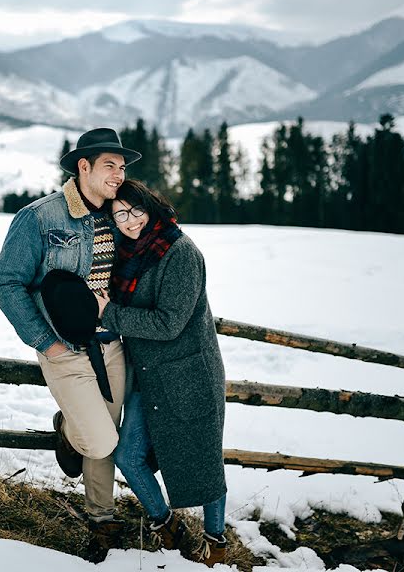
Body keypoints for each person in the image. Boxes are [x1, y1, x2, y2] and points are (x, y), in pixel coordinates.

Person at [0, 128, 141, 563]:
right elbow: (6, 283)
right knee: (97, 439)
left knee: (107, 439)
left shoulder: (121, 214)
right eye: (110, 166)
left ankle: (101, 518)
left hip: (112, 345)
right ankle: (68, 429)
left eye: (122, 166)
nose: (119, 174)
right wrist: (44, 343)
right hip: (64, 347)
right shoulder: (39, 217)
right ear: (84, 167)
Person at [95, 179, 228, 567]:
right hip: (149, 374)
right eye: (120, 213)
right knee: (128, 455)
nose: (130, 220)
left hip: (189, 374)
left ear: (151, 207)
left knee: (204, 458)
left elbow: (170, 323)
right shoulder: (125, 253)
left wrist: (110, 313)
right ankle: (166, 523)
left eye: (136, 210)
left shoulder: (180, 252)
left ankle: (215, 542)